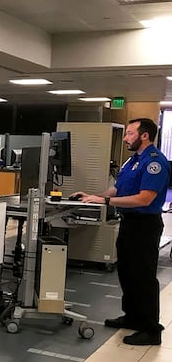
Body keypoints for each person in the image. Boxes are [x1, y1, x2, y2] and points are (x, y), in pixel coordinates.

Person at [72, 118, 170, 346]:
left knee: (143, 277)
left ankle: (150, 329)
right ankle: (133, 316)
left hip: (145, 225)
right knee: (127, 272)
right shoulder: (132, 161)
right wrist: (92, 198)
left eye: (129, 133)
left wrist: (105, 200)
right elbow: (118, 188)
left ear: (144, 136)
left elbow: (145, 198)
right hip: (129, 222)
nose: (125, 138)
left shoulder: (154, 162)